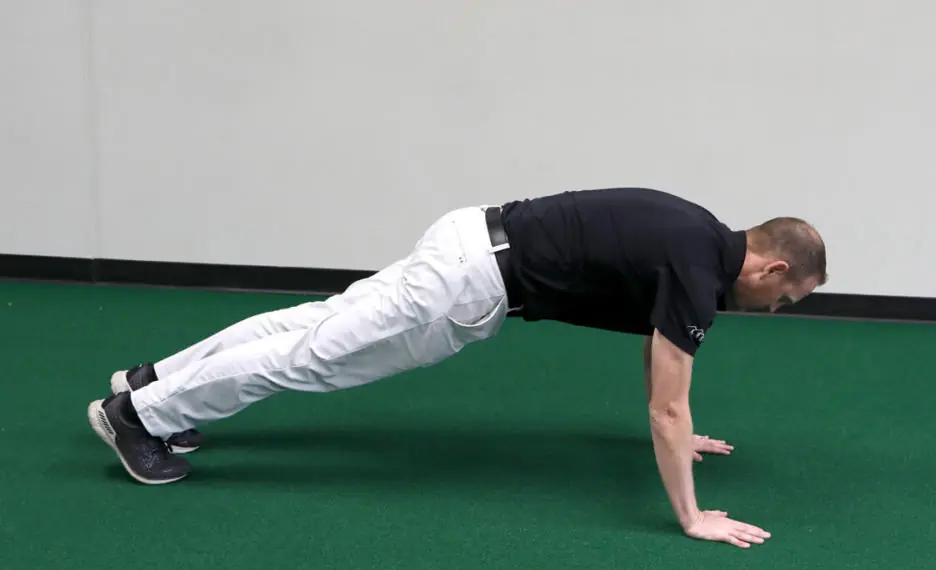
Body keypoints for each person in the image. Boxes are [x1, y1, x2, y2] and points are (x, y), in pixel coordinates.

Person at [87, 187, 826, 548]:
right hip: (468, 284)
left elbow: (661, 365)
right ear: (773, 268)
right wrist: (691, 516)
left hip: (471, 237)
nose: (772, 309)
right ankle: (140, 417)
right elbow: (668, 405)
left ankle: (151, 384)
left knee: (311, 325)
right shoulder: (698, 271)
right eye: (784, 298)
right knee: (313, 358)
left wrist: (679, 434)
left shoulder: (697, 234)